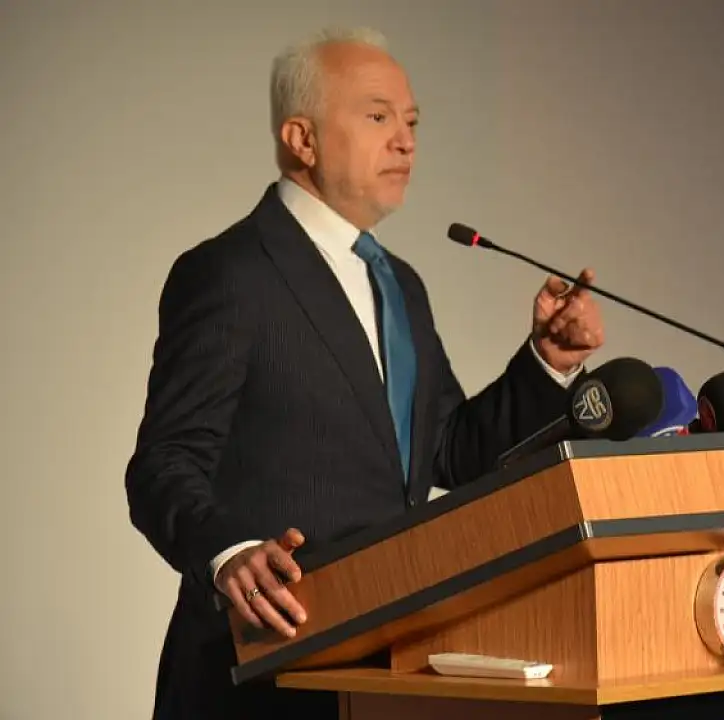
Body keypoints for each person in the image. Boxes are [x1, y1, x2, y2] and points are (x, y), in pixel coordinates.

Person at [124, 26, 605, 720]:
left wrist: (545, 364)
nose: (406, 141)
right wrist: (228, 553)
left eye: (412, 122)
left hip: (383, 670)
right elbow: (163, 463)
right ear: (302, 138)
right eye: (379, 117)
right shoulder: (230, 272)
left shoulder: (399, 285)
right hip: (259, 672)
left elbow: (449, 450)